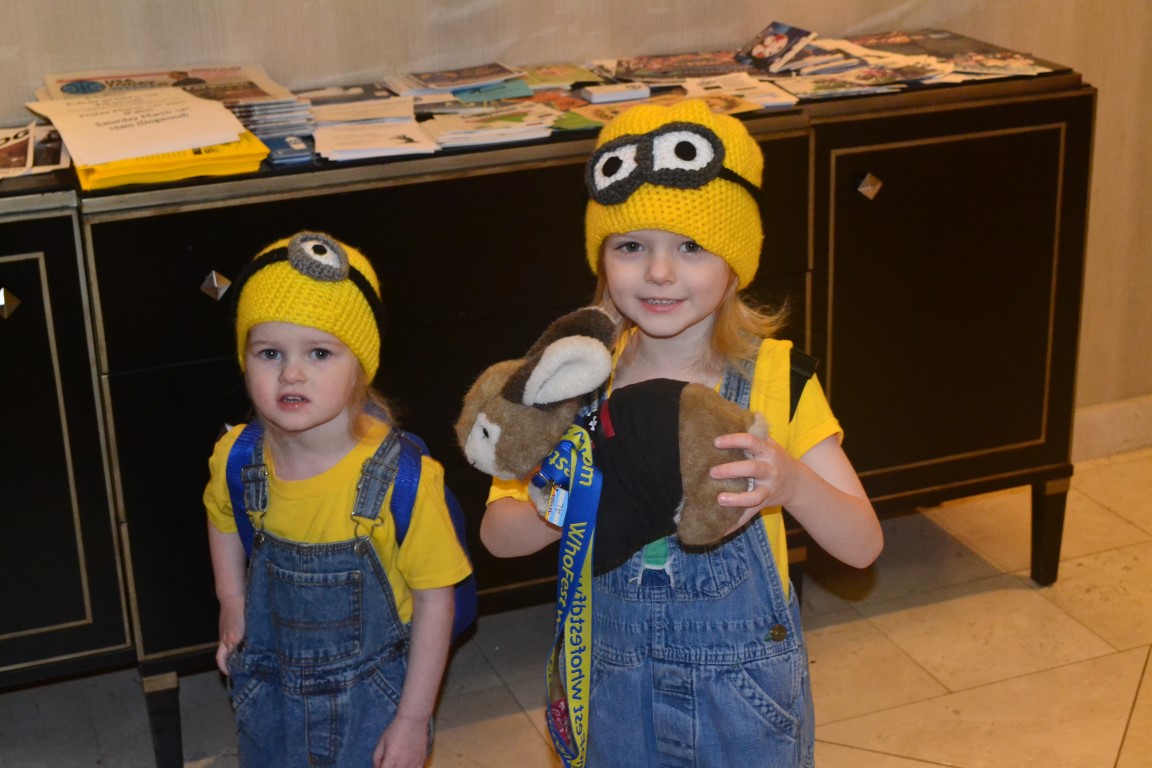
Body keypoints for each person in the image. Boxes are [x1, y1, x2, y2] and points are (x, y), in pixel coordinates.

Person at [479, 99, 883, 767]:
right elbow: (498, 535)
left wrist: (791, 482)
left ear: (736, 262)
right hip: (611, 689)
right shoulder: (571, 381)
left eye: (691, 247)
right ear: (602, 259)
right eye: (631, 246)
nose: (660, 273)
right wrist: (569, 496)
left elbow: (863, 546)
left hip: (744, 697)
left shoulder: (777, 380)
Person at [204, 231, 472, 768]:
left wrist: (412, 720)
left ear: (359, 368)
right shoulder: (237, 458)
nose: (291, 373)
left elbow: (436, 603)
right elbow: (223, 519)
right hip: (270, 691)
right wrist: (232, 601)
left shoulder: (403, 481)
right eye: (270, 353)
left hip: (373, 701)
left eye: (320, 352)